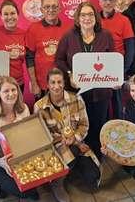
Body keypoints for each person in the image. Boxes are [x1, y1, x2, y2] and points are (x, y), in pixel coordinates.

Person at [56, 1, 114, 159]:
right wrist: (69, 73)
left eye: (90, 14)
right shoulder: (69, 36)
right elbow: (59, 59)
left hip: (100, 93)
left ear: (95, 17)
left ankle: (98, 159)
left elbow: (112, 61)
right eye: (83, 15)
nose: (87, 18)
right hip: (77, 93)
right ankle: (82, 160)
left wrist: (115, 79)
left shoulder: (106, 35)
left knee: (98, 125)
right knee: (80, 126)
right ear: (77, 18)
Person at [34, 68, 101, 202]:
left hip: (77, 143)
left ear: (64, 83)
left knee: (93, 177)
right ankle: (57, 183)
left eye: (59, 82)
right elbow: (40, 136)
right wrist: (61, 141)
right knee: (72, 151)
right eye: (52, 82)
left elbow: (84, 125)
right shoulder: (39, 107)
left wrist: (75, 138)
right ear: (47, 84)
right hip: (54, 149)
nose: (56, 86)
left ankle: (70, 168)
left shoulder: (76, 99)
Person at [26, 0, 71, 100]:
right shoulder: (33, 29)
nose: (51, 10)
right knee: (44, 116)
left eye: (54, 6)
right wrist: (34, 83)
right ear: (41, 10)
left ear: (59, 8)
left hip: (63, 84)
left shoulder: (68, 29)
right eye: (47, 7)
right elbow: (29, 58)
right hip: (42, 85)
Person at [99, 0, 135, 118]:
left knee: (118, 104)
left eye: (111, 0)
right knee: (101, 104)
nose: (108, 3)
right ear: (100, 2)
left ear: (115, 2)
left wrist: (123, 70)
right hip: (98, 68)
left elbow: (130, 48)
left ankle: (119, 131)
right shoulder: (94, 20)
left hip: (117, 68)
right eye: (105, 0)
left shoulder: (124, 20)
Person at [0, 0, 26, 91]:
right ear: (1, 16)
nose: (10, 17)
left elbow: (29, 59)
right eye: (6, 14)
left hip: (17, 84)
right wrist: (4, 55)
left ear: (18, 14)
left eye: (12, 13)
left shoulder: (24, 34)